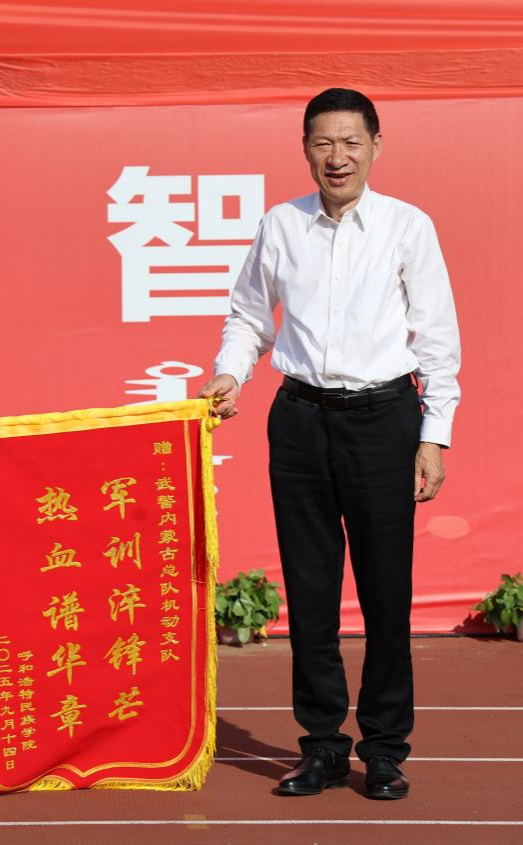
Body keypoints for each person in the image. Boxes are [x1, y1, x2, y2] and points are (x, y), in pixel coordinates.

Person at [200, 88, 460, 800]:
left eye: (351, 142)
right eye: (323, 143)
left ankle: (384, 748)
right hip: (299, 420)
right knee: (310, 592)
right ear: (305, 149)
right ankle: (320, 746)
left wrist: (433, 435)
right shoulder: (281, 224)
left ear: (376, 146)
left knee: (386, 592)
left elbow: (437, 340)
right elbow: (248, 316)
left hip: (383, 419)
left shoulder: (407, 226)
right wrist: (230, 373)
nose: (337, 157)